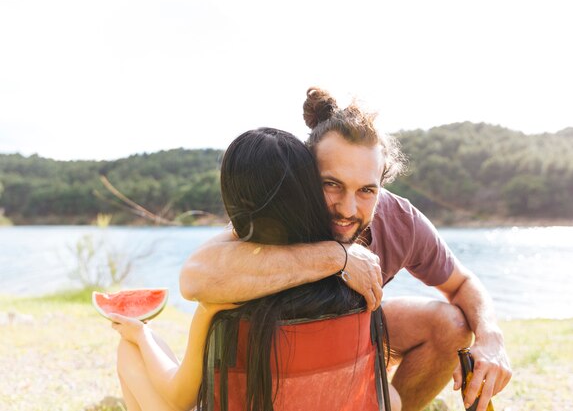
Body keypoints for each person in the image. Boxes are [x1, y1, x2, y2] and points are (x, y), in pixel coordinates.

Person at [180, 88, 512, 411]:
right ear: (307, 175)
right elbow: (195, 278)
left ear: (382, 183)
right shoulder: (284, 212)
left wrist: (491, 337)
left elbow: (462, 284)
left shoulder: (400, 219)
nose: (348, 209)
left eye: (367, 190)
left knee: (451, 325)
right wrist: (337, 258)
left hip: (358, 338)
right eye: (332, 185)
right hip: (277, 356)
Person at [110, 128, 397, 411]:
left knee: (129, 352)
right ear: (309, 190)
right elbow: (384, 398)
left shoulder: (221, 300)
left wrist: (140, 336)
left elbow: (178, 398)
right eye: (332, 184)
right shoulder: (358, 283)